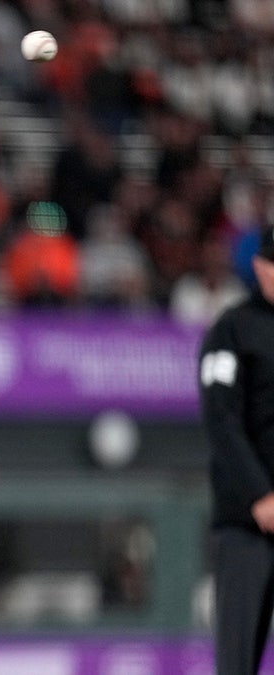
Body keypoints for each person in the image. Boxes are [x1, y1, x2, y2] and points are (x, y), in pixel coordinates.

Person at [199, 225, 274, 674]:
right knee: (238, 658)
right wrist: (259, 496)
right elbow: (221, 421)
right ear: (262, 267)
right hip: (247, 526)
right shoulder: (232, 329)